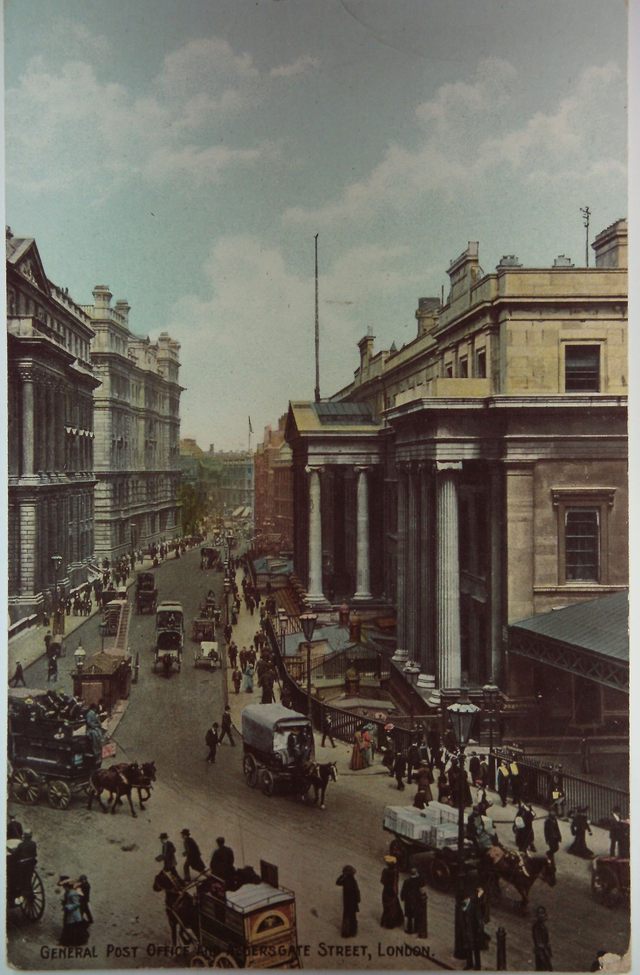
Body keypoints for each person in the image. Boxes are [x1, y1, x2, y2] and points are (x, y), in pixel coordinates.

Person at [59, 877, 88, 946]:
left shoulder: (72, 893)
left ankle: (68, 942)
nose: (64, 888)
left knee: (70, 927)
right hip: (70, 912)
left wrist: (68, 907)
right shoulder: (69, 892)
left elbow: (77, 904)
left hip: (73, 913)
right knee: (68, 925)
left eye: (64, 886)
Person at [461, 886, 485, 971]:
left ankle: (477, 966)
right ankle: (469, 963)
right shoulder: (466, 904)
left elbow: (479, 918)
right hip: (467, 929)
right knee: (468, 947)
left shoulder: (474, 904)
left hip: (473, 930)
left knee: (475, 948)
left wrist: (479, 929)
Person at [380, 856, 404, 929]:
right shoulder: (395, 872)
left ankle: (384, 921)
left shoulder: (384, 871)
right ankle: (391, 923)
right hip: (392, 891)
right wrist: (396, 893)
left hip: (386, 890)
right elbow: (395, 884)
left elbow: (382, 881)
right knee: (393, 907)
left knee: (386, 907)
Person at [336, 865, 360, 937]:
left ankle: (348, 932)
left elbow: (338, 882)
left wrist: (342, 875)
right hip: (350, 901)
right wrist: (358, 899)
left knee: (348, 916)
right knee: (351, 916)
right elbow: (357, 890)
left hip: (349, 901)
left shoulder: (348, 879)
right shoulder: (350, 879)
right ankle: (351, 932)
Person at [401, 868, 423, 934]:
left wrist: (402, 898)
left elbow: (403, 891)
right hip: (416, 899)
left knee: (409, 916)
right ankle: (416, 929)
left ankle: (409, 930)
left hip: (409, 900)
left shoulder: (407, 881)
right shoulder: (418, 880)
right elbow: (423, 883)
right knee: (416, 914)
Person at [532, 906, 553, 971]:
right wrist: (544, 953)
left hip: (545, 953)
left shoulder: (542, 926)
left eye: (544, 913)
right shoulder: (537, 927)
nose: (543, 915)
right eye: (541, 913)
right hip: (542, 953)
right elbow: (539, 943)